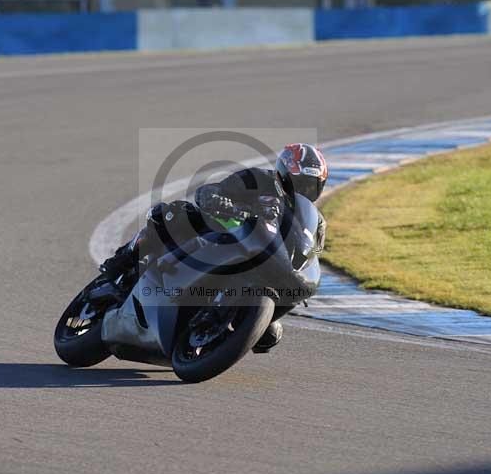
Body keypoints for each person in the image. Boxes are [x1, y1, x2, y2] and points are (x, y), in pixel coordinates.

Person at [98, 143, 328, 353]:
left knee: (270, 334)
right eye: (300, 183)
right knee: (171, 214)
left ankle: (222, 325)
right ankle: (121, 261)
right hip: (220, 235)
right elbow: (212, 191)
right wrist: (220, 201)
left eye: (311, 186)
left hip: (263, 265)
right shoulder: (256, 179)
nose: (303, 190)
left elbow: (311, 254)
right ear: (282, 174)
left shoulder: (314, 221)